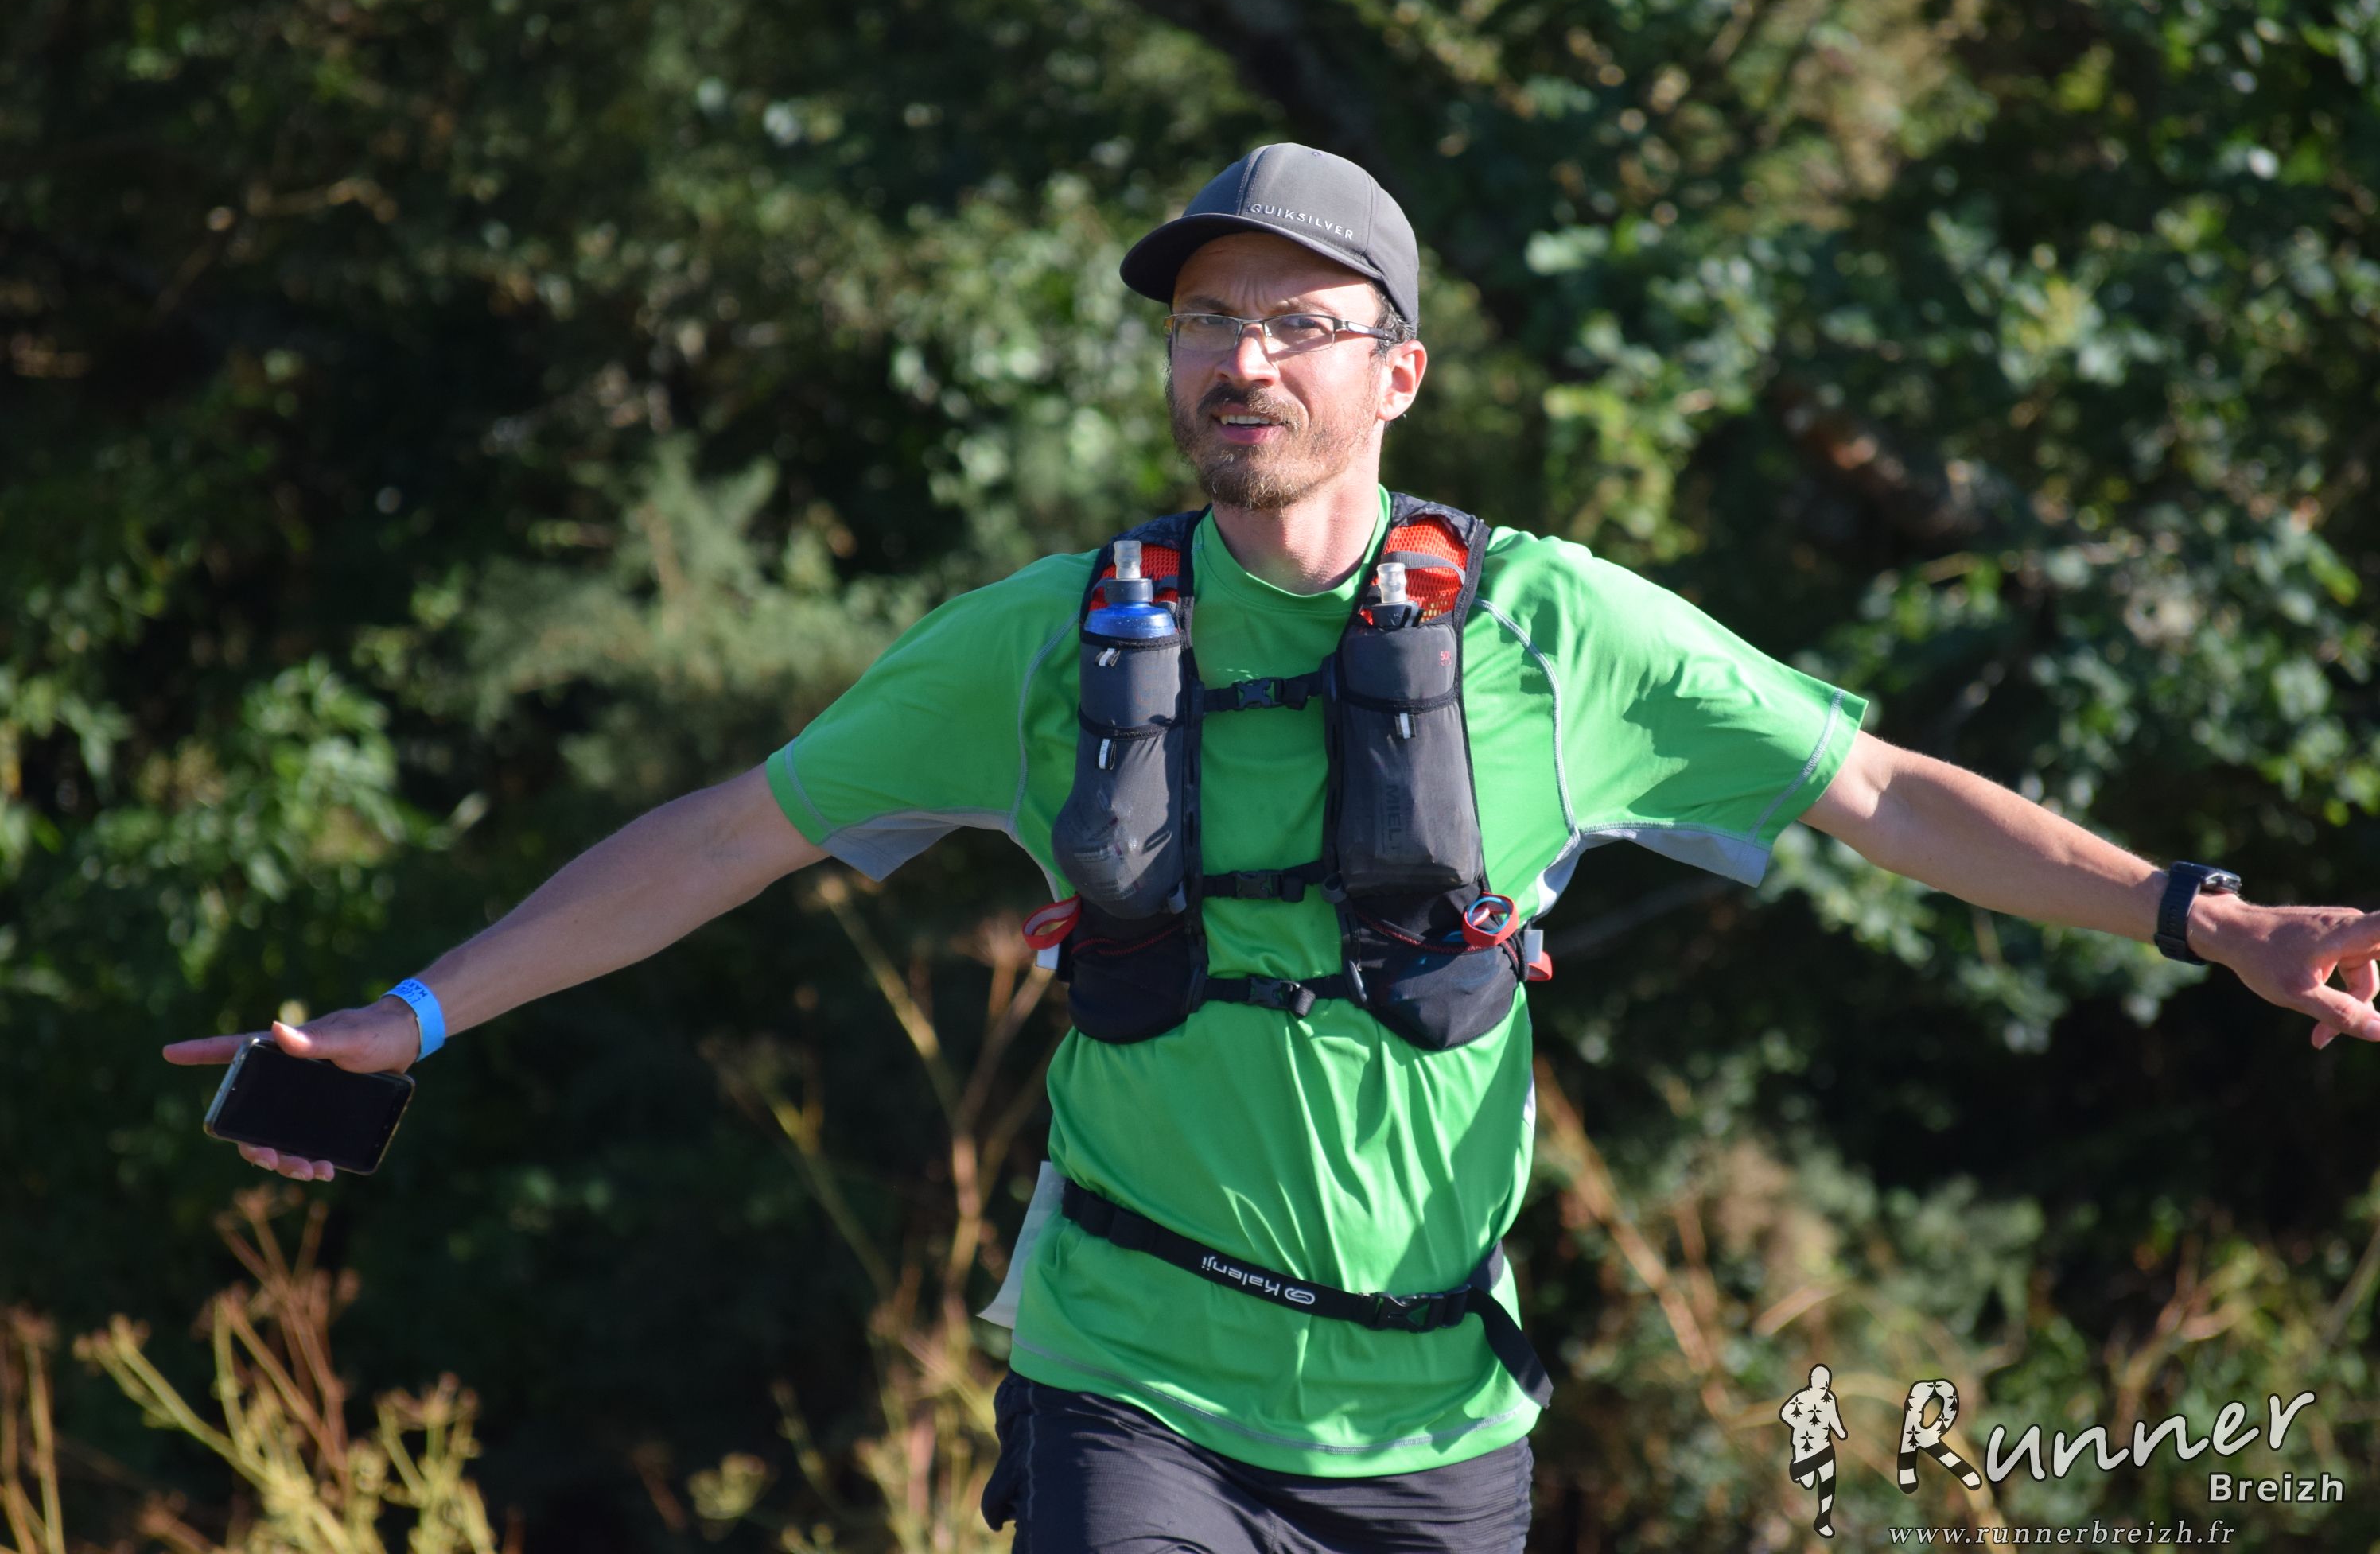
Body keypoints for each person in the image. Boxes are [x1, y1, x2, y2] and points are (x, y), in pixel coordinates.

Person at [165, 144, 2380, 1552]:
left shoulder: (1553, 629)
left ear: (1395, 374)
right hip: (1131, 1389)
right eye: (1204, 320)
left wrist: (2203, 916)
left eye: (1294, 323)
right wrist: (416, 1013)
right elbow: (727, 835)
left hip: (1440, 1427)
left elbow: (1881, 793)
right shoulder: (1045, 640)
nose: (1239, 360)